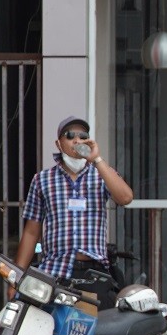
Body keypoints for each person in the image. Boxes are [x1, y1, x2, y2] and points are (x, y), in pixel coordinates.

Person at [16, 115, 135, 281]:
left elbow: (126, 198)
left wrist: (97, 160)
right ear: (59, 143)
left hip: (94, 272)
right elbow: (31, 232)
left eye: (83, 136)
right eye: (70, 136)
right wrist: (17, 277)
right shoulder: (42, 179)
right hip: (54, 270)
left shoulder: (101, 173)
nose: (77, 140)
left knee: (101, 305)